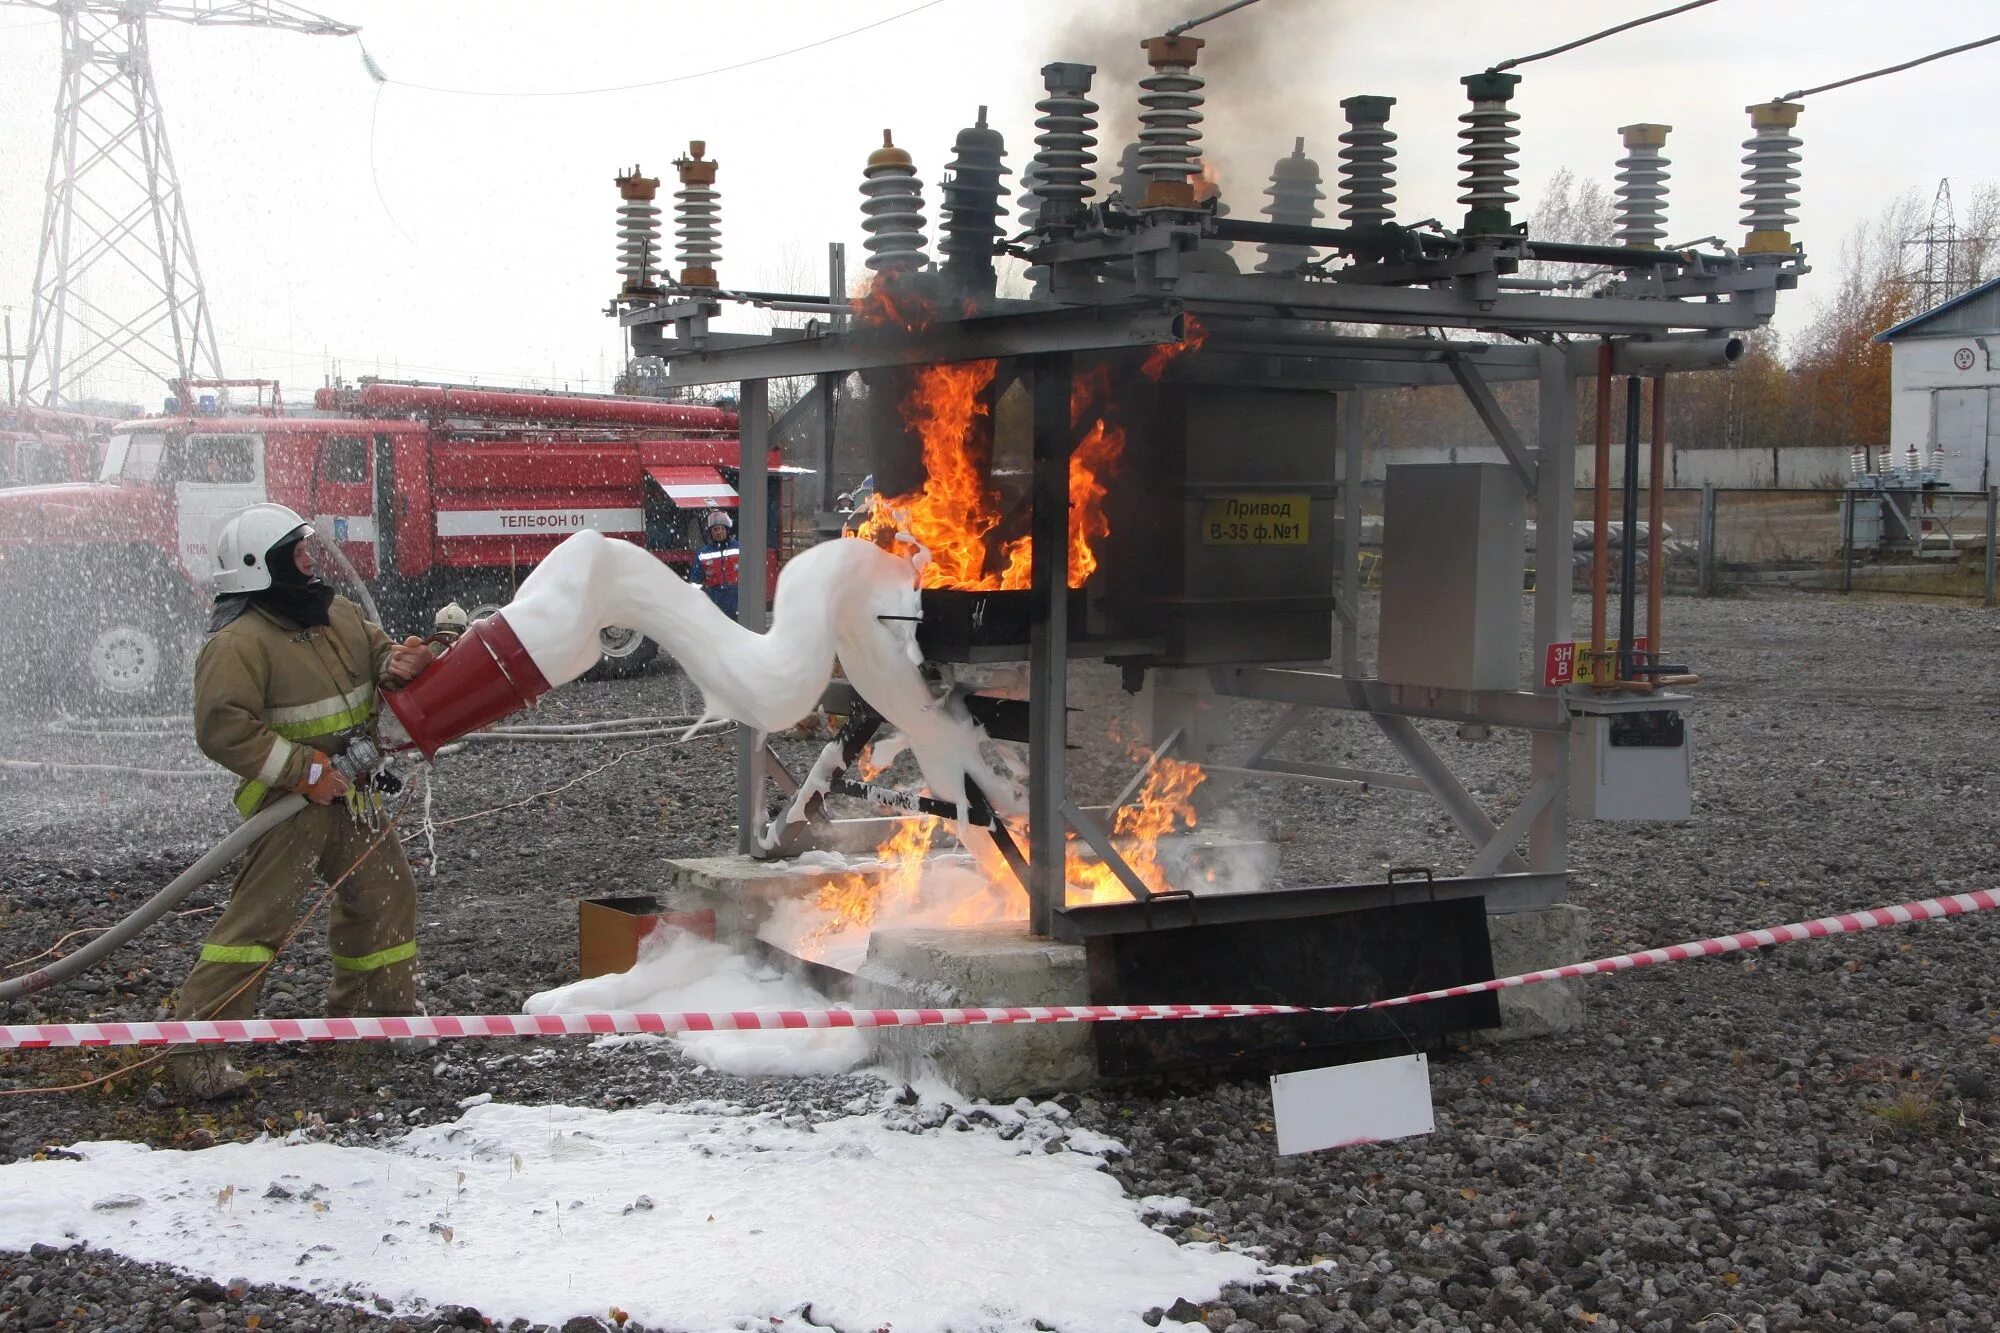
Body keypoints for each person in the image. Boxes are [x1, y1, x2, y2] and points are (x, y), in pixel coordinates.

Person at [170, 502, 436, 1099]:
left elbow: (377, 657)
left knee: (385, 898)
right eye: (296, 553)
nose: (309, 561)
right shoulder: (237, 643)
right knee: (256, 926)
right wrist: (300, 769)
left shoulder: (332, 613)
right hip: (291, 809)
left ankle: (372, 1023)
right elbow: (221, 726)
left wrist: (401, 663)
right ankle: (201, 1057)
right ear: (259, 566)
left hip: (353, 795)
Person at [689, 508, 741, 617]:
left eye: (721, 529)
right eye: (715, 529)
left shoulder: (740, 548)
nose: (718, 532)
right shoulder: (702, 554)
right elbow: (695, 582)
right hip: (715, 603)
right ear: (710, 532)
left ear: (727, 530)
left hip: (738, 602)